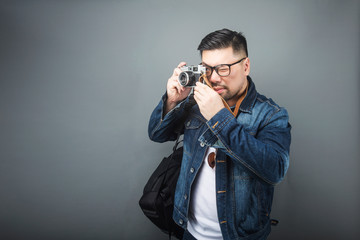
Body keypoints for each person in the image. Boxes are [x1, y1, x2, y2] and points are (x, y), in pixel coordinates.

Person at [148, 28, 291, 240]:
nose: (213, 78)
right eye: (207, 68)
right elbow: (157, 134)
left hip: (240, 235)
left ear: (246, 66)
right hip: (189, 230)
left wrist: (219, 117)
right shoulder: (195, 101)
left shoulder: (271, 115)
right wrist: (172, 100)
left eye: (223, 69)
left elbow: (275, 170)